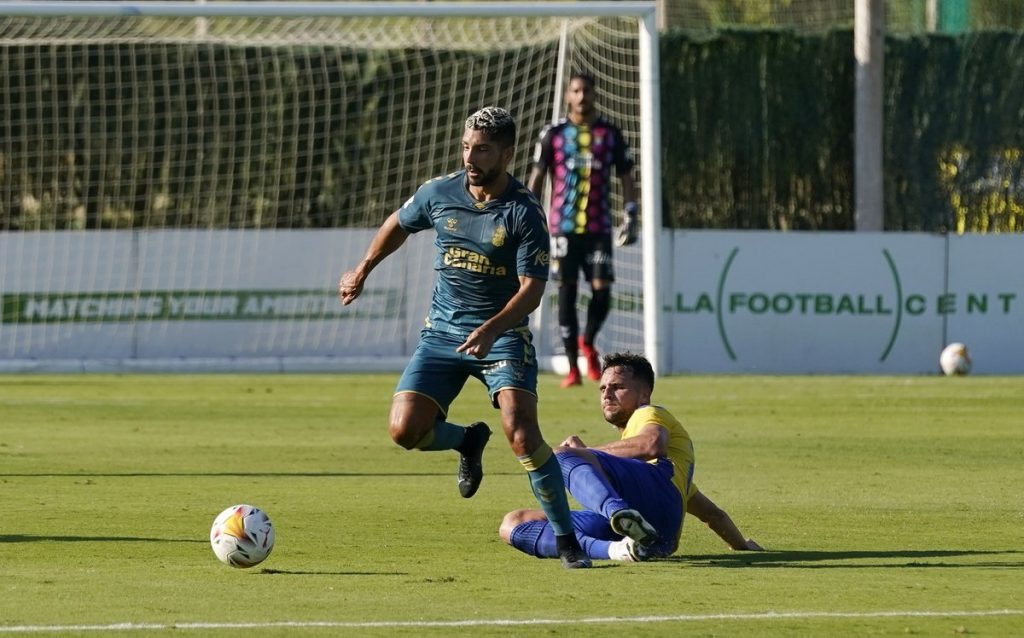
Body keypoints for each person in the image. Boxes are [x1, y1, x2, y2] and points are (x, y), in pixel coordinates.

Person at [338, 106, 591, 569]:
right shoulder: (440, 192)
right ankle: (467, 441)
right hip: (442, 333)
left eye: (483, 149)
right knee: (404, 431)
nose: (471, 158)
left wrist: (493, 327)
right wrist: (362, 269)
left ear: (508, 154)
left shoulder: (524, 212)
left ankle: (567, 539)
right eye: (466, 147)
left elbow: (532, 289)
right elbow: (398, 223)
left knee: (521, 432)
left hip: (503, 336)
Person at [499, 352, 763, 562]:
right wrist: (741, 545)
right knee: (514, 523)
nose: (606, 394)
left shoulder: (649, 413)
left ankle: (621, 515)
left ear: (644, 395)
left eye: (618, 387)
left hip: (654, 501)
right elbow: (711, 514)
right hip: (660, 534)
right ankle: (620, 550)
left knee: (558, 456)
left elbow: (652, 444)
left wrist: (583, 453)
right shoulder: (647, 461)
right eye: (602, 389)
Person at [528, 72, 639, 388]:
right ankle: (573, 368)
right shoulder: (554, 134)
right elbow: (537, 175)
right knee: (566, 290)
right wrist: (529, 212)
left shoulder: (610, 133)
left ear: (594, 94)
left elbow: (627, 176)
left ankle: (588, 342)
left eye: (587, 90)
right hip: (562, 227)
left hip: (599, 226)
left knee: (602, 289)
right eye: (576, 90)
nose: (582, 96)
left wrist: (630, 213)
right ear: (567, 96)